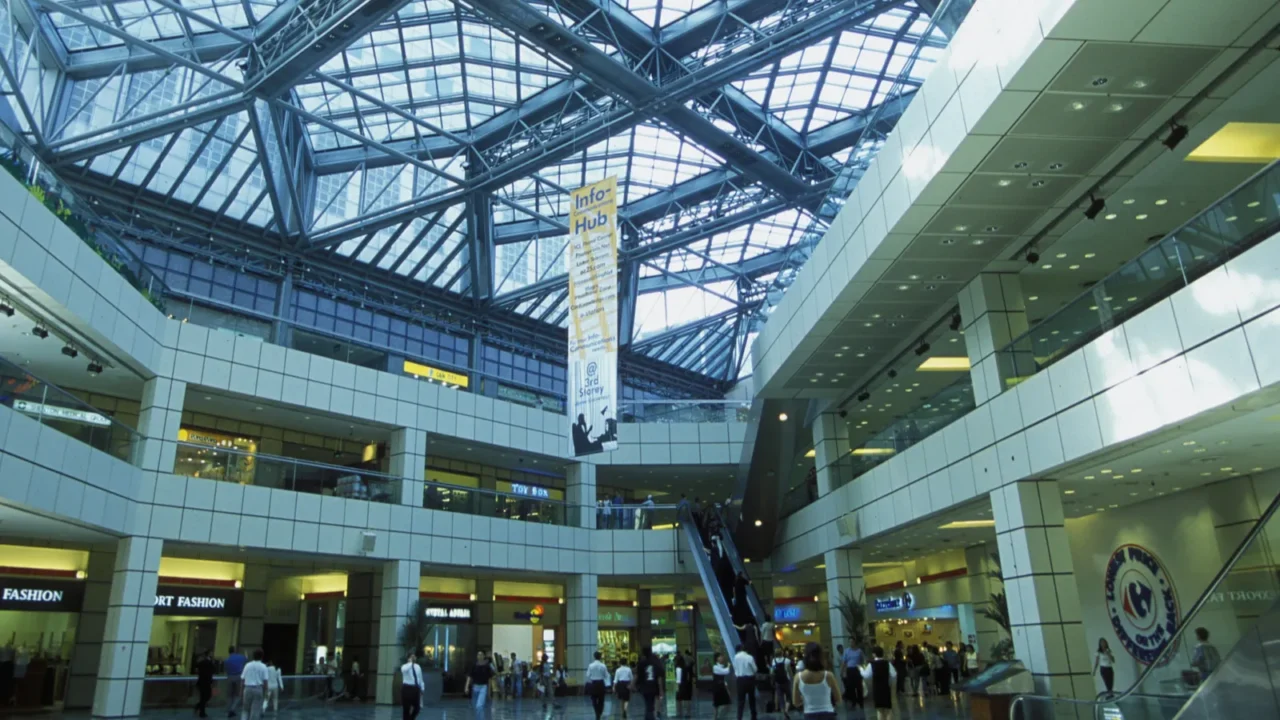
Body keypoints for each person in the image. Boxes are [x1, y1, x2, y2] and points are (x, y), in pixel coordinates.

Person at [791, 642, 841, 720]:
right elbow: (838, 700)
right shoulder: (828, 675)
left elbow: (796, 702)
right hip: (828, 714)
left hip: (809, 715)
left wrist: (805, 698)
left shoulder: (798, 677)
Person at [859, 647, 896, 720]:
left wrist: (861, 669)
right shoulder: (887, 663)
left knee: (879, 710)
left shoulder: (871, 664)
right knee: (888, 709)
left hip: (877, 688)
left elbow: (866, 675)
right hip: (886, 688)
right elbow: (894, 674)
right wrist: (889, 680)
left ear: (874, 654)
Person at [634, 646, 665, 720]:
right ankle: (651, 716)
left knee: (648, 704)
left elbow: (637, 675)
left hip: (644, 687)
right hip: (654, 686)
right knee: (650, 705)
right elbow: (659, 677)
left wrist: (634, 684)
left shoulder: (642, 663)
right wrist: (661, 689)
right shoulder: (656, 662)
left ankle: (649, 717)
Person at [240, 650, 270, 720]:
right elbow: (265, 681)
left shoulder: (247, 665)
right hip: (258, 689)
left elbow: (242, 679)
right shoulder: (263, 666)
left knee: (245, 710)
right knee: (255, 711)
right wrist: (266, 692)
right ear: (262, 657)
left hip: (247, 688)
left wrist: (241, 690)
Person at [732, 643, 758, 720]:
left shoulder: (736, 657)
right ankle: (753, 716)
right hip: (750, 680)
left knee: (740, 700)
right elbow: (755, 669)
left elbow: (735, 668)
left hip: (740, 680)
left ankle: (739, 717)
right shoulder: (750, 657)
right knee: (751, 699)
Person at [587, 651, 611, 720]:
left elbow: (588, 675)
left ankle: (596, 712)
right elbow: (606, 675)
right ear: (600, 657)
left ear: (594, 657)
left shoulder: (590, 665)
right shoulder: (603, 665)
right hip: (601, 684)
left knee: (593, 699)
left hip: (593, 684)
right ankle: (599, 713)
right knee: (601, 700)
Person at [770, 645, 792, 719]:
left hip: (778, 682)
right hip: (786, 680)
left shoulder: (774, 661)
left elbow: (772, 672)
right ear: (782, 653)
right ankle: (786, 710)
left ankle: (783, 711)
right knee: (788, 696)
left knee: (780, 697)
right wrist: (792, 678)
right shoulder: (787, 660)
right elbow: (790, 671)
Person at [225, 645, 247, 717]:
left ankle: (229, 710)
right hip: (238, 676)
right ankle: (232, 709)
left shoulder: (227, 660)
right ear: (234, 650)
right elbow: (246, 659)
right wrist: (245, 652)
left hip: (230, 677)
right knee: (238, 694)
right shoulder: (240, 657)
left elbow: (226, 669)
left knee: (230, 695)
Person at [401, 653, 425, 720]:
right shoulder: (404, 666)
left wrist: (422, 688)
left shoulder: (418, 667)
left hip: (415, 688)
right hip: (407, 688)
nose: (414, 658)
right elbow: (404, 670)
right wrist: (410, 663)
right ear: (408, 658)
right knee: (406, 709)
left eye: (414, 656)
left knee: (417, 707)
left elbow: (420, 678)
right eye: (412, 657)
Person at [838, 643, 864, 707]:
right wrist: (841, 671)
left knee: (859, 686)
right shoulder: (847, 651)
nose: (851, 643)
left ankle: (860, 701)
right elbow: (844, 662)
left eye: (852, 642)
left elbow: (862, 660)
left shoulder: (859, 651)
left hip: (857, 669)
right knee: (851, 687)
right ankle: (853, 702)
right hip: (849, 669)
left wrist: (862, 669)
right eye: (850, 642)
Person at [194, 649, 215, 718]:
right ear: (209, 654)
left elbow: (197, 669)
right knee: (206, 696)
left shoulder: (201, 662)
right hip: (206, 682)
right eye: (211, 653)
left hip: (202, 682)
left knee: (204, 697)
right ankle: (201, 711)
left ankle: (199, 707)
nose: (212, 654)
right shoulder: (208, 662)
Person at [711, 652, 732, 720]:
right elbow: (725, 671)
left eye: (722, 656)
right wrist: (728, 666)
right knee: (716, 705)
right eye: (720, 656)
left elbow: (723, 678)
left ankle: (720, 716)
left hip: (722, 687)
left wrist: (727, 688)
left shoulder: (722, 666)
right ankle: (715, 718)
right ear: (717, 658)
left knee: (727, 703)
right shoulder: (715, 667)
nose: (722, 658)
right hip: (717, 688)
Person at [675, 650, 694, 717]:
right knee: (687, 699)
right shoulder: (689, 667)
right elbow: (691, 676)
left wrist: (677, 686)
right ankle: (687, 713)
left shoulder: (678, 667)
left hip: (680, 685)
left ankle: (679, 712)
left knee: (678, 699)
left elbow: (678, 678)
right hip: (688, 685)